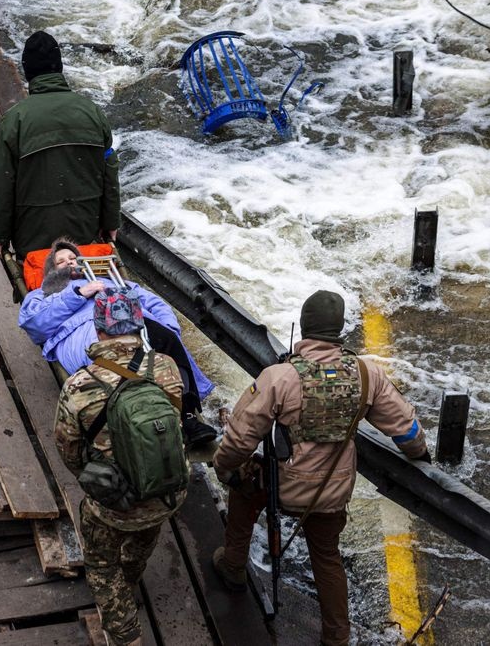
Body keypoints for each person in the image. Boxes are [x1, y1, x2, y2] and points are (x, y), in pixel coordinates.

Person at [211, 290, 430, 646]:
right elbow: (406, 428)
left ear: (305, 326)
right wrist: (420, 457)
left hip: (282, 485)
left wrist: (226, 470)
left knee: (243, 490)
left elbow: (239, 437)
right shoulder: (366, 374)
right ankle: (336, 636)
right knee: (327, 557)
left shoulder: (279, 377)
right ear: (339, 329)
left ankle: (233, 566)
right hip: (332, 492)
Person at [55, 290, 188, 646]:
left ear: (99, 331)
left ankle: (126, 634)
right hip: (166, 493)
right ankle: (131, 576)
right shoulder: (167, 367)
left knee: (101, 562)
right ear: (139, 324)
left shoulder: (80, 384)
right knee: (142, 539)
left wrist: (99, 476)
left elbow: (68, 450)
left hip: (113, 505)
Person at [22, 238, 217, 446]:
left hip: (133, 320)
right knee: (117, 363)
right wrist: (77, 294)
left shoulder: (109, 280)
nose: (70, 262)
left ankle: (188, 416)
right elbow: (35, 325)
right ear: (51, 271)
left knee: (167, 340)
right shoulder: (42, 295)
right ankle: (132, 422)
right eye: (61, 261)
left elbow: (153, 302)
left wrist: (168, 326)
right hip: (80, 331)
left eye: (73, 257)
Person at [0, 31, 120, 259]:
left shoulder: (15, 120)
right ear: (59, 68)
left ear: (27, 72)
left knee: (36, 283)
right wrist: (111, 222)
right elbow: (110, 173)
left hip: (33, 233)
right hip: (83, 227)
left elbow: (2, 184)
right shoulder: (92, 112)